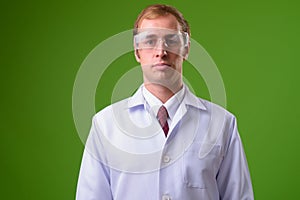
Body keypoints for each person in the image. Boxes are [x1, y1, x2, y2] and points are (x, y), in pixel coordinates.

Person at [76, 4, 254, 200]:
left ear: (186, 49)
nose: (161, 51)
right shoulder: (105, 125)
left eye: (171, 40)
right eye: (150, 41)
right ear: (137, 52)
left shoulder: (222, 124)